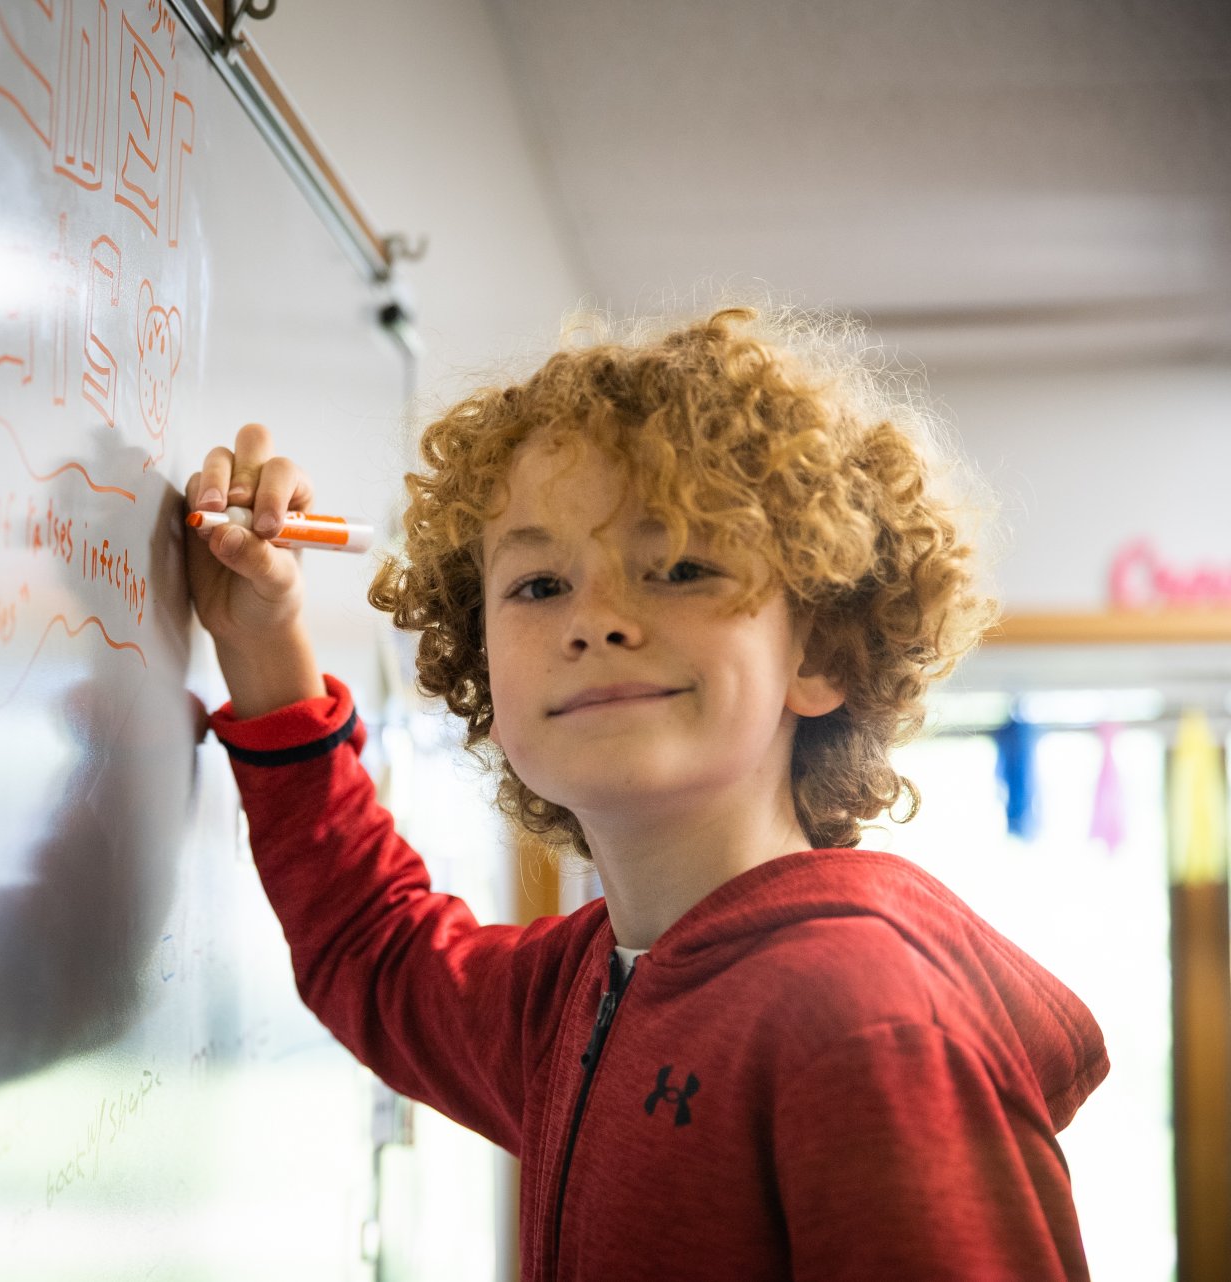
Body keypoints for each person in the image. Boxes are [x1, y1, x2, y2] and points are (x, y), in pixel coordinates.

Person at [182, 305, 1109, 1280]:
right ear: (485, 667)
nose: (597, 621)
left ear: (822, 650)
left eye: (678, 568)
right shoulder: (577, 991)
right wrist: (259, 641)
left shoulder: (863, 1015)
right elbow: (378, 950)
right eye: (540, 585)